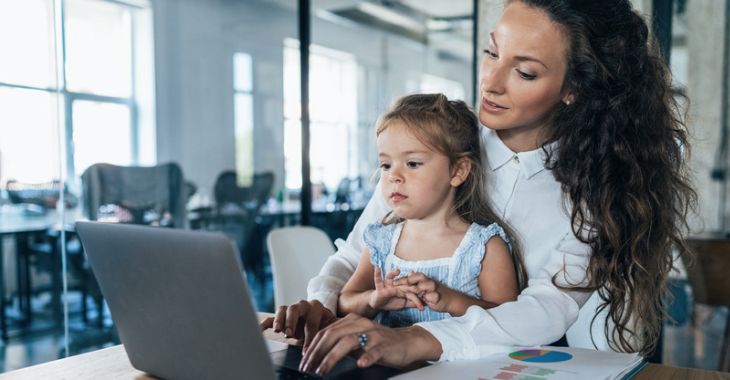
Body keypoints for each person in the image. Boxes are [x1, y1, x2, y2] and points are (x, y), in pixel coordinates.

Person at [262, 0, 696, 376]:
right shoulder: (435, 144)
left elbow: (545, 310)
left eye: (524, 72)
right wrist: (321, 304)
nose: (490, 81)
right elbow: (359, 250)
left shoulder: (598, 191)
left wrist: (414, 339)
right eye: (492, 51)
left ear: (573, 88)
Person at [337, 94, 526, 328]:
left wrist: (451, 300)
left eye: (413, 163)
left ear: (458, 170)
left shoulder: (484, 247)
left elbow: (512, 323)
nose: (393, 176)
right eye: (386, 165)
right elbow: (345, 302)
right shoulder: (380, 242)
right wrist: (374, 299)